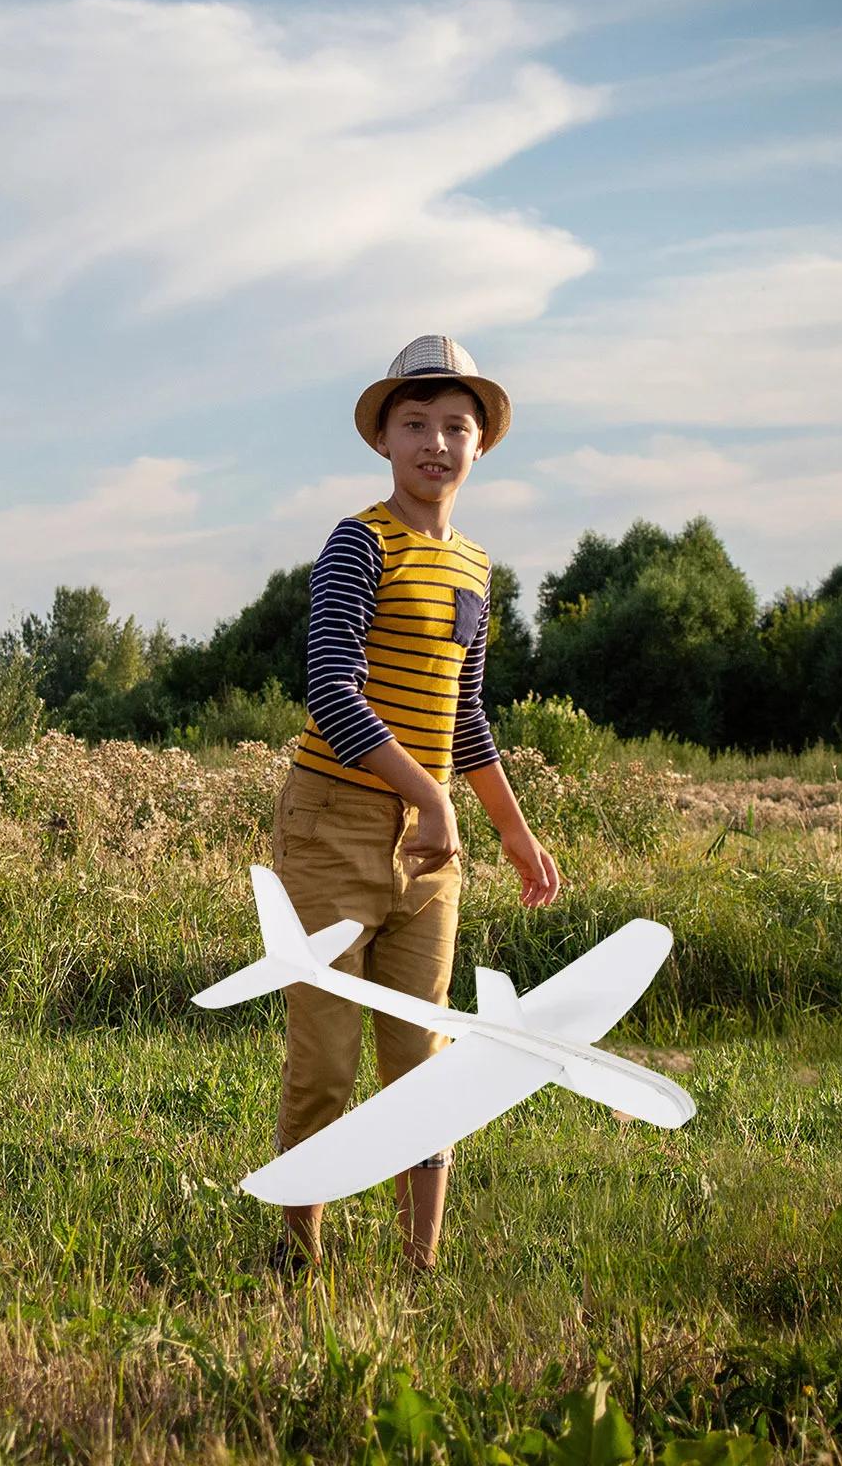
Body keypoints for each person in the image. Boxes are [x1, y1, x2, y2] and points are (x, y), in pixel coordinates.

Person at [273, 334, 560, 1272]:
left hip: (429, 846)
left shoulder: (475, 566)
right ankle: (299, 1258)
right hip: (332, 826)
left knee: (422, 1057)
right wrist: (428, 796)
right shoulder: (360, 541)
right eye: (416, 425)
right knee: (325, 1059)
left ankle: (420, 1270)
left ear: (480, 446)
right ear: (384, 441)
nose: (436, 442)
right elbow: (330, 685)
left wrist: (511, 831)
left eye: (455, 427)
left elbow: (464, 711)